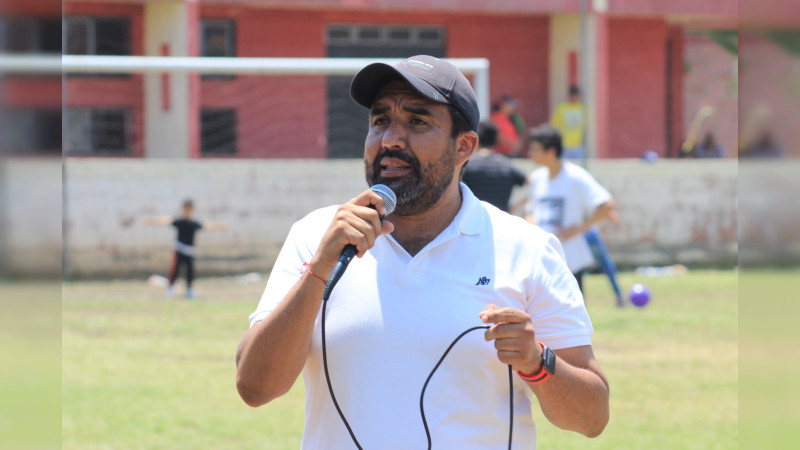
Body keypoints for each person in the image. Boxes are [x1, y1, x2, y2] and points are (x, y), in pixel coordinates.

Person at [236, 55, 609, 448]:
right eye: (380, 120)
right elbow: (255, 388)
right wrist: (319, 269)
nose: (391, 139)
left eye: (417, 121)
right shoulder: (317, 236)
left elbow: (592, 417)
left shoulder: (526, 249)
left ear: (464, 147)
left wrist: (536, 362)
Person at [524, 124, 619, 294]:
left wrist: (578, 229)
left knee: (573, 317)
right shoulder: (537, 179)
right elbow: (530, 210)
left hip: (571, 260)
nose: (531, 154)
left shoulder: (576, 176)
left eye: (536, 149)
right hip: (542, 259)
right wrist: (531, 223)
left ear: (551, 151)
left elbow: (606, 205)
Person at [144, 199, 228, 298]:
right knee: (175, 270)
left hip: (190, 252)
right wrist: (152, 220)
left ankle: (189, 290)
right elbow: (166, 220)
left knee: (190, 272)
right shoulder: (180, 222)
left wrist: (220, 226)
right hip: (179, 250)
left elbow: (207, 226)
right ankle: (170, 289)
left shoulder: (194, 224)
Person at [461, 121, 528, 212]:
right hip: (501, 221)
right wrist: (512, 209)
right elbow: (534, 183)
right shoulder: (507, 165)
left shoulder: (467, 165)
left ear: (476, 139)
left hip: (475, 220)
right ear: (495, 140)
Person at [550, 86, 587, 160]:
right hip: (564, 145)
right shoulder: (562, 108)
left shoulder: (583, 109)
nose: (575, 98)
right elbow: (554, 126)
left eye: (576, 95)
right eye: (573, 95)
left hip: (578, 145)